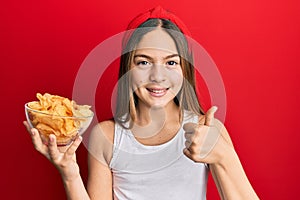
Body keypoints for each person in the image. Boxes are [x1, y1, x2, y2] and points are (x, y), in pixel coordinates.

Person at [23, 6, 259, 200]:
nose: (158, 76)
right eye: (144, 62)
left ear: (185, 69)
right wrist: (69, 173)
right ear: (128, 69)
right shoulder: (106, 137)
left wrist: (224, 156)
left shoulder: (206, 131)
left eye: (171, 63)